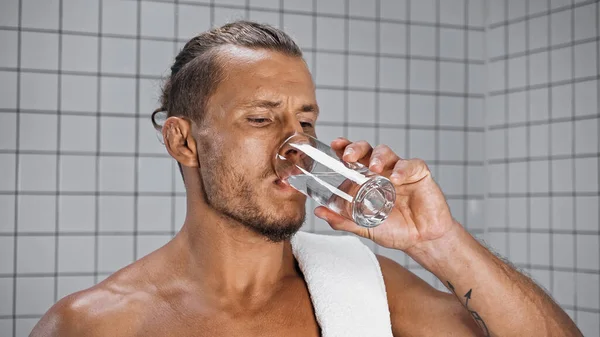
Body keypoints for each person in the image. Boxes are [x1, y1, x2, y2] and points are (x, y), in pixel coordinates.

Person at [31, 21, 581, 337]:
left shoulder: (371, 290)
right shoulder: (95, 325)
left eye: (306, 121)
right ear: (184, 141)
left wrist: (442, 244)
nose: (296, 147)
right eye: (260, 119)